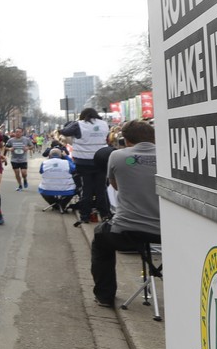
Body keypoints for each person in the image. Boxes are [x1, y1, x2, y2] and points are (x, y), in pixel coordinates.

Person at [90, 120, 160, 307]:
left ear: (126, 140)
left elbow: (116, 186)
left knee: (100, 238)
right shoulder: (170, 156)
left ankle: (104, 296)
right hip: (165, 233)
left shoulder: (117, 156)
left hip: (127, 232)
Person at [60, 108, 111, 225]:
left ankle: (85, 216)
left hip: (83, 162)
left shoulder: (79, 124)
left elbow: (64, 131)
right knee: (101, 189)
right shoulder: (104, 124)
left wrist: (73, 122)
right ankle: (105, 214)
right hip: (101, 160)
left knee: (86, 189)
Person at [37, 147, 77, 212]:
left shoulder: (44, 163)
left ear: (49, 155)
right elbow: (74, 169)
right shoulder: (67, 162)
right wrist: (66, 156)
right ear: (61, 155)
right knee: (74, 190)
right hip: (66, 190)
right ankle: (62, 204)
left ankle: (55, 205)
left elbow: (41, 172)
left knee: (42, 189)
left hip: (47, 189)